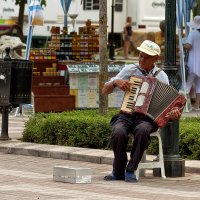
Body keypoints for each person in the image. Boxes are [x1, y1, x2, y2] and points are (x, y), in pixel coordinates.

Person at [102, 40, 181, 183]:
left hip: (147, 119)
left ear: (156, 59)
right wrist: (115, 82)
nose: (141, 59)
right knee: (118, 131)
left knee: (143, 130)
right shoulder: (129, 70)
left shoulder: (161, 76)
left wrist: (174, 114)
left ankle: (131, 169)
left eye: (146, 57)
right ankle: (118, 170)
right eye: (140, 55)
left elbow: (168, 106)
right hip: (127, 114)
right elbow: (104, 91)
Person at [184, 16, 200, 110]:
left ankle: (182, 106)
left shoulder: (193, 33)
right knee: (199, 86)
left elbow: (188, 46)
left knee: (186, 85)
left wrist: (183, 43)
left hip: (193, 63)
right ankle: (197, 105)